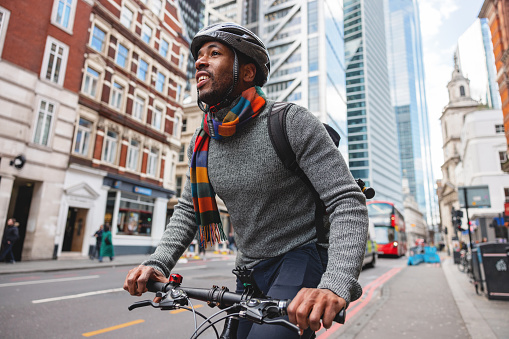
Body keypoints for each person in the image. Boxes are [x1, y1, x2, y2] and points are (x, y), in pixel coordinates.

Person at [124, 22, 368, 338]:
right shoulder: (202, 143)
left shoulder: (290, 122)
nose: (199, 61)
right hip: (250, 269)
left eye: (214, 53)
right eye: (199, 55)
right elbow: (189, 211)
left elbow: (347, 201)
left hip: (302, 256)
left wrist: (335, 284)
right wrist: (158, 263)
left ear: (247, 73)